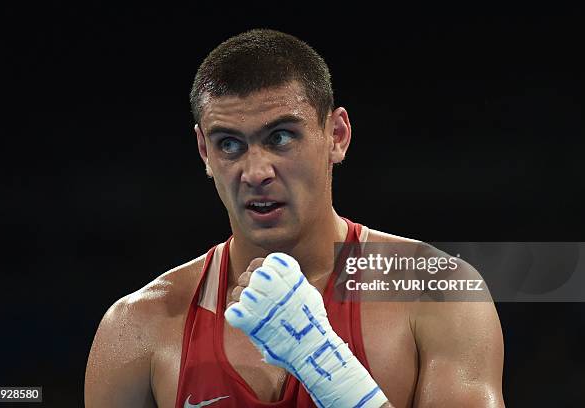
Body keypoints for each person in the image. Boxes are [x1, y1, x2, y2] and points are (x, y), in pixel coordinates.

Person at [84, 29, 505, 407]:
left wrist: (319, 359)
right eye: (229, 143)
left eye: (281, 137)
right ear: (204, 153)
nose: (255, 172)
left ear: (336, 136)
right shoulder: (138, 329)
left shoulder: (435, 292)